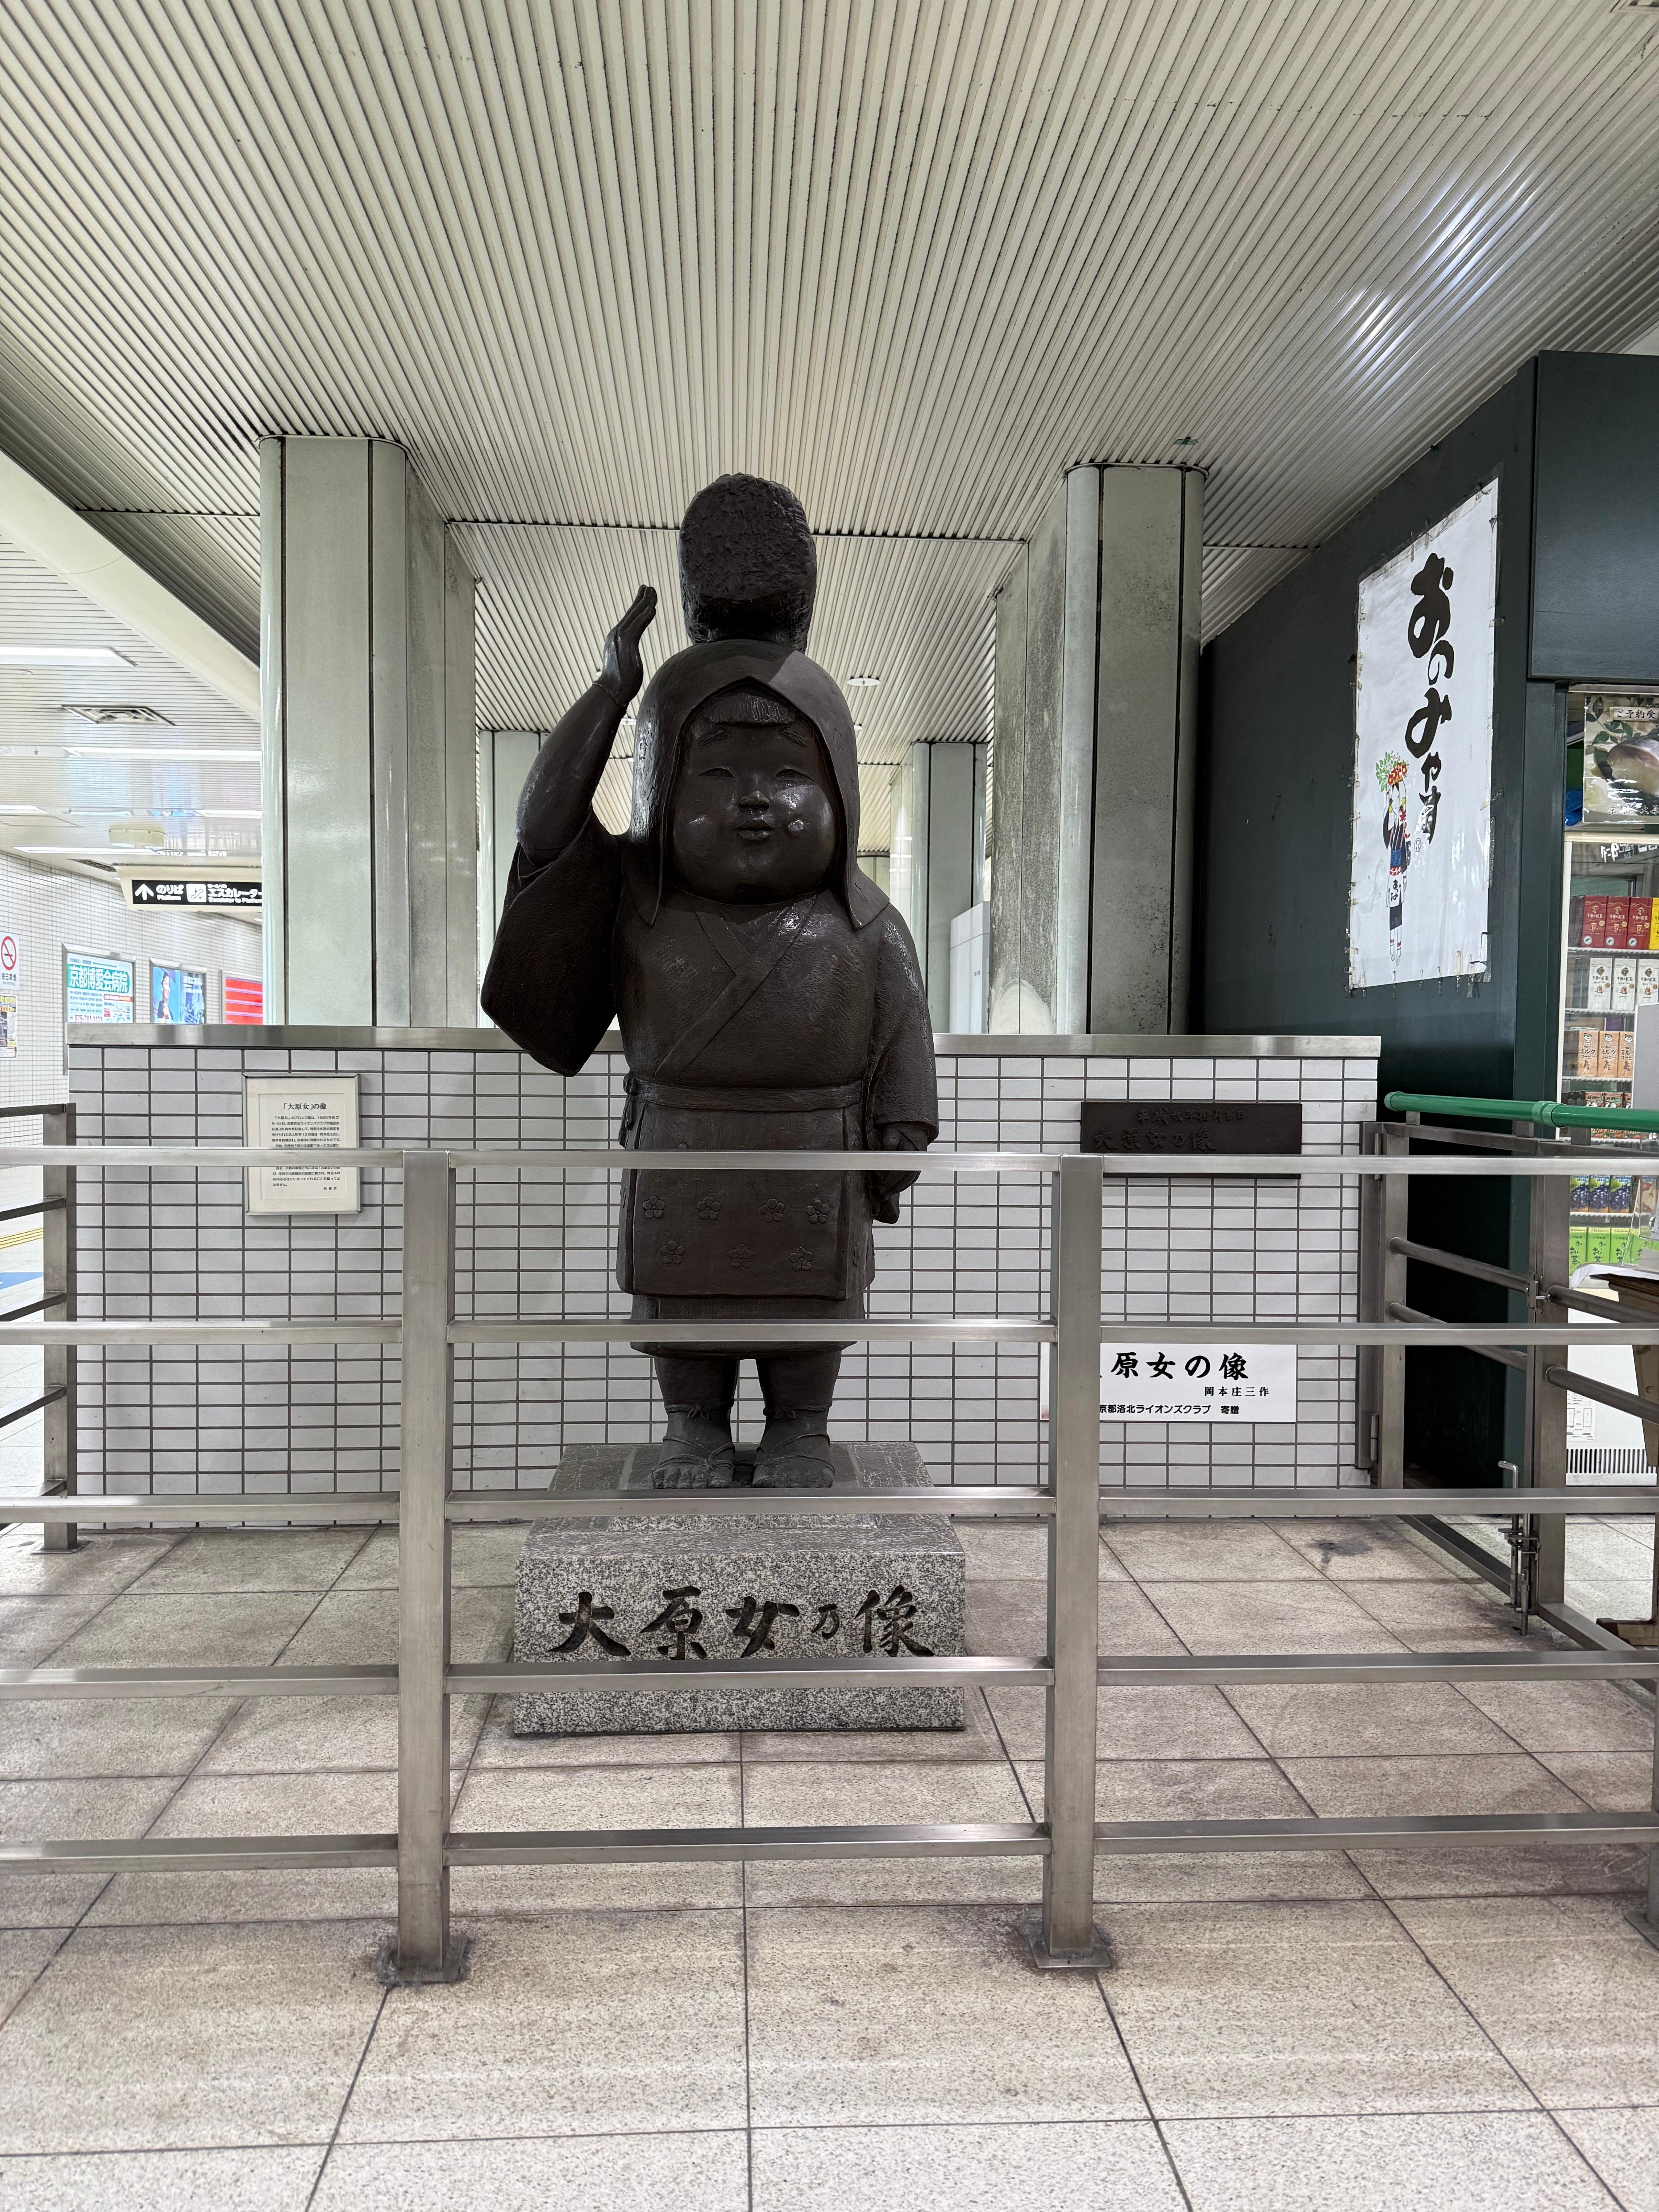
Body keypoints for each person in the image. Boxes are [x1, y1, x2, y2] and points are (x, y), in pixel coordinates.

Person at [483, 475, 937, 1489]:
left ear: (842, 792)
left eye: (788, 776)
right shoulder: (636, 902)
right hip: (681, 1144)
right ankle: (693, 1425)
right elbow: (545, 832)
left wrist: (899, 1134)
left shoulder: (865, 924)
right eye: (717, 777)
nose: (755, 803)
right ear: (660, 790)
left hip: (817, 1152)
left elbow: (902, 1037)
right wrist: (613, 691)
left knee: (808, 1313)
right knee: (682, 1306)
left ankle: (799, 1429)